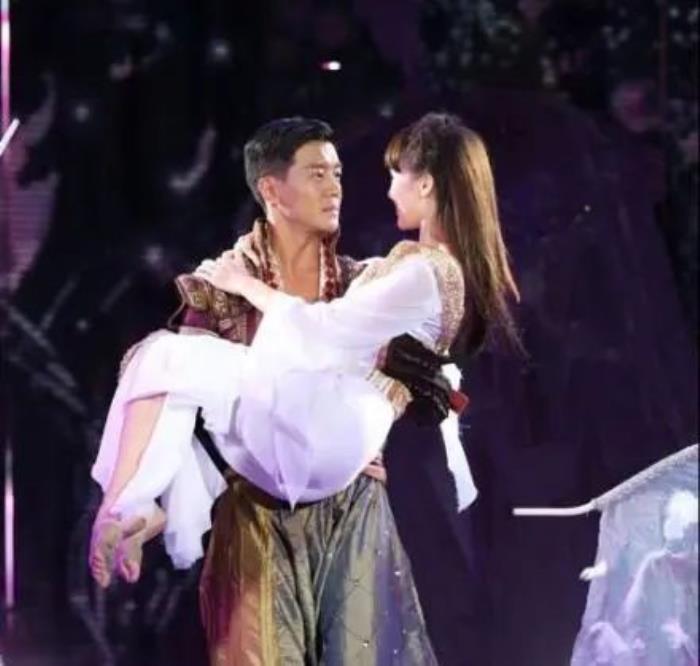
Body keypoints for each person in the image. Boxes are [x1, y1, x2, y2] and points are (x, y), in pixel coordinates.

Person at [91, 112, 519, 665]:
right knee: (170, 367)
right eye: (318, 174)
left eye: (337, 173)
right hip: (259, 502)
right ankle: (131, 512)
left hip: (349, 492)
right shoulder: (219, 288)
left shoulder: (366, 276)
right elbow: (198, 422)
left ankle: (129, 505)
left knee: (165, 361)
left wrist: (407, 385)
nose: (337, 187)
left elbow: (363, 345)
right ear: (272, 190)